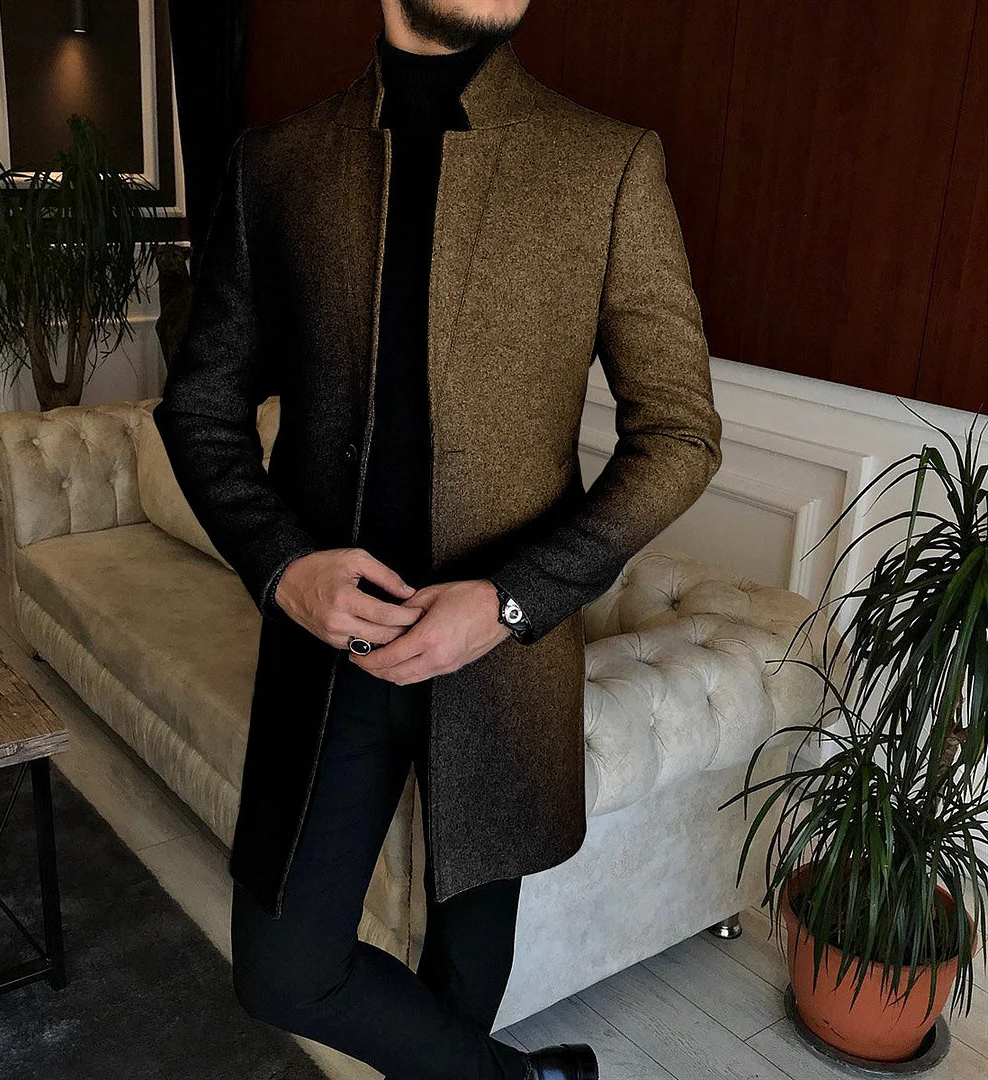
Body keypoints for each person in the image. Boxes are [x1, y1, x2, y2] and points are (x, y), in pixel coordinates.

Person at [154, 1, 724, 1078]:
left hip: (502, 662)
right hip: (331, 652)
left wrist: (512, 600)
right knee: (283, 971)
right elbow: (200, 407)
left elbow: (680, 436)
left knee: (464, 978)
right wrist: (282, 567)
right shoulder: (277, 163)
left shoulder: (605, 165)